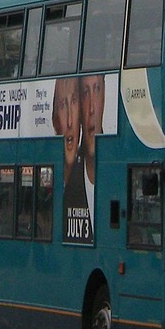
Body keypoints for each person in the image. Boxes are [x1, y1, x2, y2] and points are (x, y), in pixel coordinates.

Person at [52, 77, 91, 244]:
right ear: (55, 120)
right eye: (62, 104)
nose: (69, 122)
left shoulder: (86, 185)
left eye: (74, 102)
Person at [80, 73, 105, 224]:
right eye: (85, 93)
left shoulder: (114, 167)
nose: (91, 108)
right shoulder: (69, 177)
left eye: (97, 90)